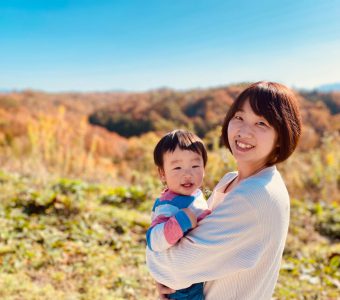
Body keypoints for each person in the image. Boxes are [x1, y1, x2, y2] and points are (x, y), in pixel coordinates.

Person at [146, 81, 302, 300]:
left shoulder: (255, 197)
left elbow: (176, 267)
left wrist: (158, 265)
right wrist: (168, 280)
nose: (244, 131)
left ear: (281, 136)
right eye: (239, 117)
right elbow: (188, 250)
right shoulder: (232, 180)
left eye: (261, 123)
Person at [146, 129, 211, 300]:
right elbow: (153, 239)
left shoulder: (193, 194)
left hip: (192, 275)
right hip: (183, 288)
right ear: (162, 173)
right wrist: (181, 221)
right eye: (177, 167)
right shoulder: (169, 206)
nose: (188, 174)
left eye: (195, 166)